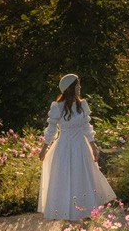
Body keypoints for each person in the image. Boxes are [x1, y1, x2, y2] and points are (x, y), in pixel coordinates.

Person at [38, 73, 118, 222]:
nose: (80, 87)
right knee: (66, 180)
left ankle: (85, 211)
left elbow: (86, 127)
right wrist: (44, 148)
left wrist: (94, 146)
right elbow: (51, 130)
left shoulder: (82, 105)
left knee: (82, 178)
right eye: (77, 85)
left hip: (81, 147)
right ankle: (68, 213)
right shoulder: (58, 107)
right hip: (64, 148)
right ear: (70, 88)